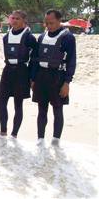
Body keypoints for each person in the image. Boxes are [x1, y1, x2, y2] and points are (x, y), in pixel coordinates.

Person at [32, 9, 76, 146]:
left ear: (59, 21)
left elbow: (71, 61)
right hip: (41, 76)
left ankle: (56, 140)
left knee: (57, 109)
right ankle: (40, 139)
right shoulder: (41, 37)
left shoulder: (68, 37)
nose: (49, 26)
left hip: (58, 77)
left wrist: (67, 82)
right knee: (41, 109)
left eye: (51, 23)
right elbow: (34, 59)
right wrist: (33, 79)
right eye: (46, 23)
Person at [0, 10, 38, 138]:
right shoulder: (5, 37)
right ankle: (3, 131)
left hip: (21, 71)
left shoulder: (30, 38)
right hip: (8, 70)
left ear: (24, 21)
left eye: (17, 19)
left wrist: (32, 78)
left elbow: (35, 60)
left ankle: (14, 134)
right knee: (1, 102)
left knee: (18, 104)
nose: (14, 21)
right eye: (12, 18)